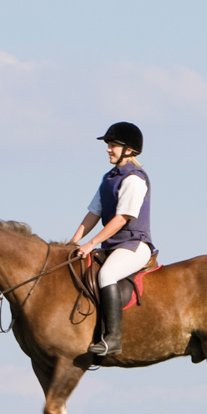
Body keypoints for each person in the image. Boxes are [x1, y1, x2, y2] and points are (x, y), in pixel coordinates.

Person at [68, 121, 155, 358]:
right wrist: (73, 242)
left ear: (129, 149)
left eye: (113, 145)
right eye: (108, 145)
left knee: (107, 274)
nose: (108, 149)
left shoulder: (134, 179)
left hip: (134, 245)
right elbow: (93, 214)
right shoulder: (109, 179)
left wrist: (91, 243)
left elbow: (121, 219)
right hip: (113, 246)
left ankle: (112, 339)